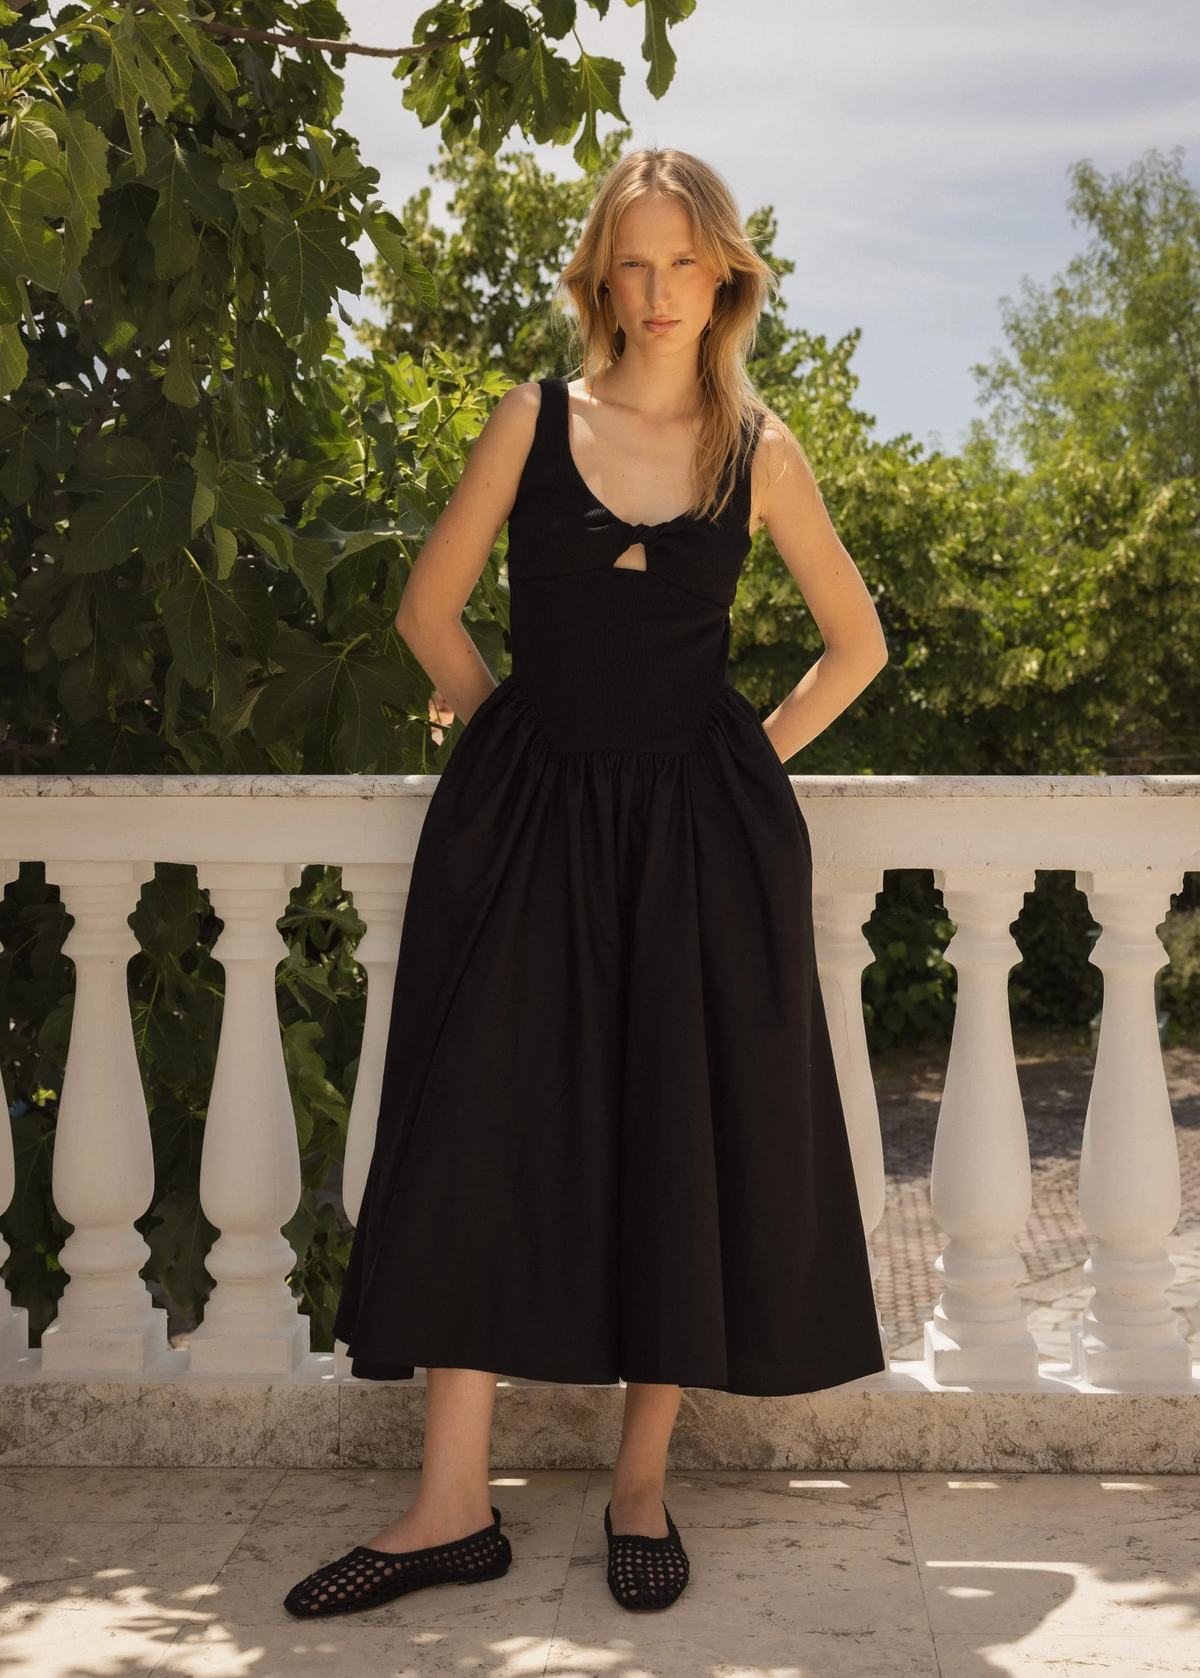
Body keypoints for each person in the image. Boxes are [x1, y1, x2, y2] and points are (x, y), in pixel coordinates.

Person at [284, 147, 889, 1621]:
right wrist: (511, 739)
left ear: (726, 276)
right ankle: (448, 1508)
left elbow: (855, 644)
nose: (663, 289)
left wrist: (743, 757)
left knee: (667, 1129)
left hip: (696, 840)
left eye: (689, 262)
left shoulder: (764, 450)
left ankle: (639, 1481)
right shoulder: (532, 418)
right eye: (636, 260)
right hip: (525, 825)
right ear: (599, 277)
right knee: (473, 1127)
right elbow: (431, 610)